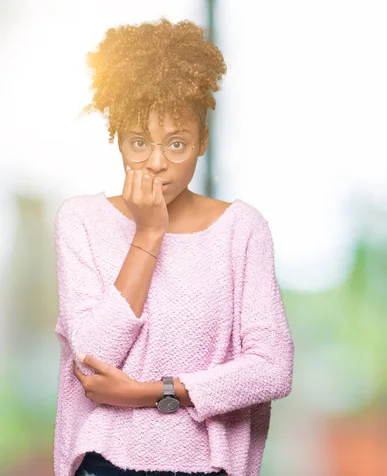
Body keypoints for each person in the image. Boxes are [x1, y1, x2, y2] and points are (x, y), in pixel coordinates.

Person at [52, 18, 294, 476]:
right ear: (117, 140)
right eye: (139, 142)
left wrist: (150, 391)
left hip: (209, 467)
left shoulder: (242, 230)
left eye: (177, 143)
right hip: (105, 464)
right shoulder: (80, 220)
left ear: (202, 141)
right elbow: (94, 359)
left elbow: (272, 368)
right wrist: (148, 234)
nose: (157, 163)